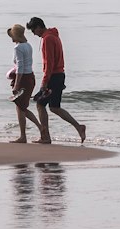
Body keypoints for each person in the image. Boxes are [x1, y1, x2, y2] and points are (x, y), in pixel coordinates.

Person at [26, 16, 86, 144]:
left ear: (38, 27)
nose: (34, 34)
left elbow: (49, 63)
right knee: (54, 107)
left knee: (40, 105)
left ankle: (45, 137)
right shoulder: (54, 36)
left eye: (33, 30)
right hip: (59, 74)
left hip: (53, 76)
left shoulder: (47, 39)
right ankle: (78, 126)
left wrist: (44, 83)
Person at [6, 23, 42, 143]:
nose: (11, 38)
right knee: (21, 107)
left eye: (12, 35)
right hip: (30, 76)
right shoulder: (28, 45)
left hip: (23, 79)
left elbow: (20, 66)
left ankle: (27, 134)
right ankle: (30, 132)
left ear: (16, 35)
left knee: (21, 108)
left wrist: (16, 84)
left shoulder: (18, 48)